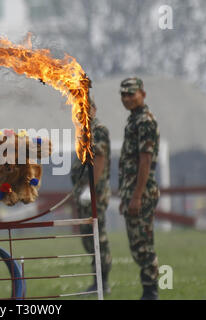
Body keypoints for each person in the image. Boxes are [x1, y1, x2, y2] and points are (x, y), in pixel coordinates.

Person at [118, 77, 160, 300]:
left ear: (143, 94)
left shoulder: (145, 121)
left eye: (131, 93)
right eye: (123, 94)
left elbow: (145, 161)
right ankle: (149, 291)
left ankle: (151, 292)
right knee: (137, 244)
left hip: (142, 192)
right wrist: (126, 197)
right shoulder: (133, 120)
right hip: (132, 192)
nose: (126, 98)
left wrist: (136, 197)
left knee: (143, 245)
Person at [71, 102, 112, 294]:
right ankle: (97, 281)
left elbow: (100, 158)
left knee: (97, 237)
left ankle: (103, 282)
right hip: (84, 194)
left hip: (94, 195)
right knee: (88, 237)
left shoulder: (98, 130)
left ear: (93, 109)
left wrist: (90, 189)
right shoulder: (84, 131)